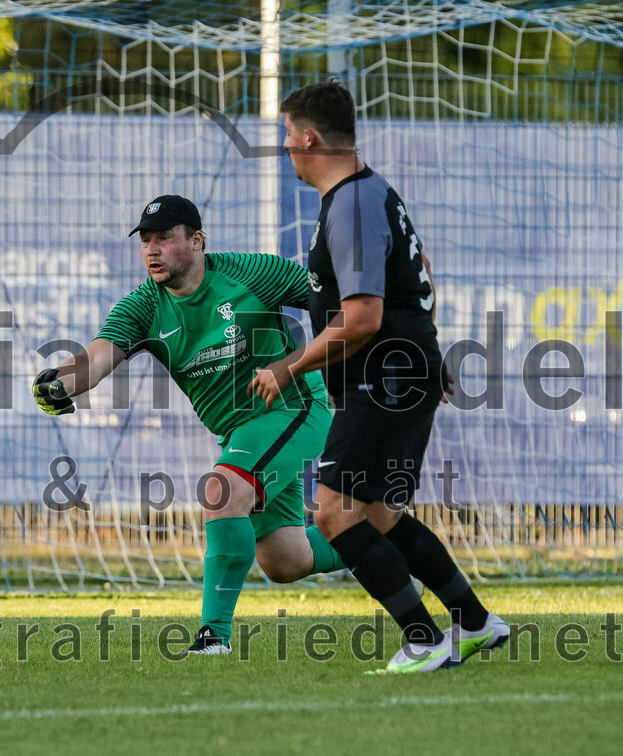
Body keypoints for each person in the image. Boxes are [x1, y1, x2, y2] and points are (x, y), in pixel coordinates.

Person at [250, 81, 509, 673]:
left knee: (335, 514)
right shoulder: (367, 191)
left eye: (288, 135)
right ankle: (474, 622)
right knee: (381, 514)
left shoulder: (353, 201)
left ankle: (422, 641)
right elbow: (424, 277)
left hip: (384, 379)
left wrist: (290, 368)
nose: (286, 147)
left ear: (308, 138)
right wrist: (427, 343)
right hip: (400, 371)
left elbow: (364, 316)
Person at [33, 194, 344, 655]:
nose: (152, 250)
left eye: (164, 238)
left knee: (222, 491)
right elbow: (96, 359)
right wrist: (59, 382)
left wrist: (296, 362)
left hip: (294, 407)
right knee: (286, 561)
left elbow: (338, 306)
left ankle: (212, 638)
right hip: (241, 433)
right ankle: (383, 543)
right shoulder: (143, 307)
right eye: (145, 241)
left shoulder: (250, 273)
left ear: (196, 241)